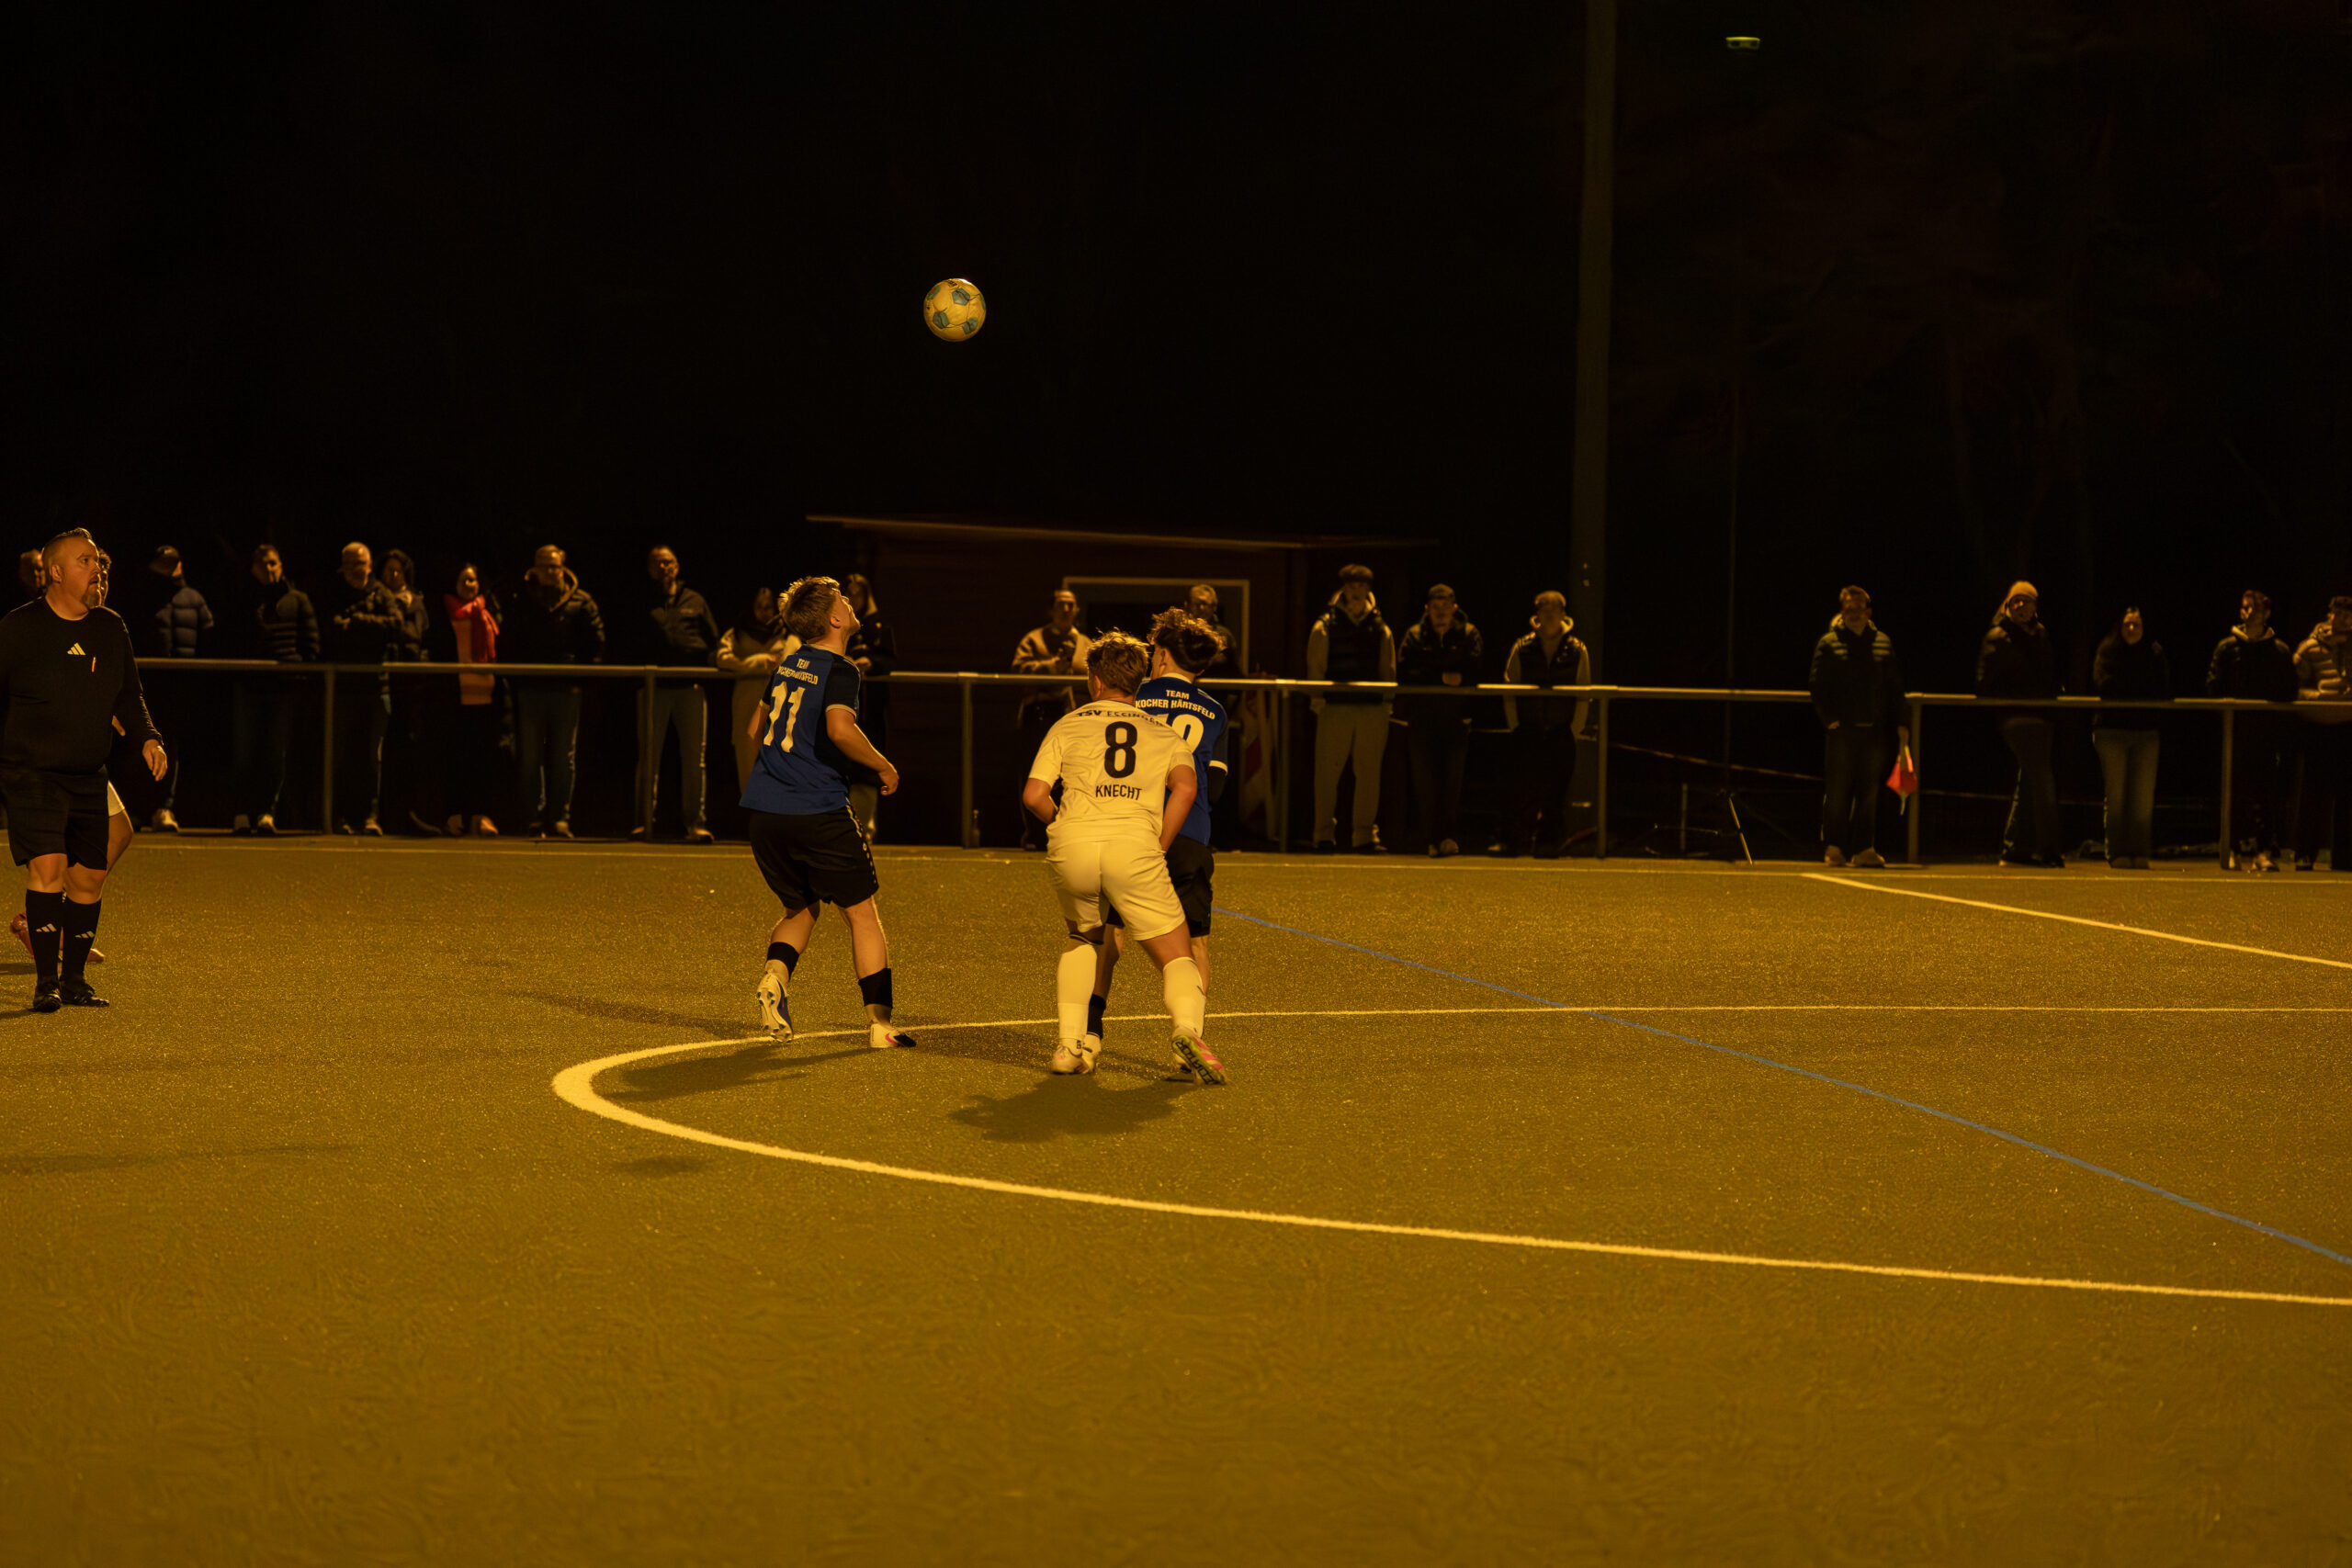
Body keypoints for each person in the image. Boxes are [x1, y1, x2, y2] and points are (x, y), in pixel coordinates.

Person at [1021, 630, 1221, 1084]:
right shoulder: (1162, 731)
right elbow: (1186, 788)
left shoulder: (1068, 723)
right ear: (1138, 681)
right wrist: (1160, 844)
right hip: (1134, 845)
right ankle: (1187, 1030)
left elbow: (1034, 795)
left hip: (1073, 843)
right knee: (1177, 954)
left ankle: (1069, 1046)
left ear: (1095, 681)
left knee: (1084, 938)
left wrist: (1061, 823)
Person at [742, 576, 915, 1052]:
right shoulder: (840, 669)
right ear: (835, 619)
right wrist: (883, 764)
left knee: (800, 908)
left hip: (764, 811)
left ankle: (775, 978)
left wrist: (780, 771)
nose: (851, 603)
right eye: (843, 599)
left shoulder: (787, 665)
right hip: (816, 808)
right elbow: (840, 728)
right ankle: (880, 1025)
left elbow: (755, 728)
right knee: (861, 913)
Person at [0, 529, 165, 1010]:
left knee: (90, 876)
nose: (98, 569)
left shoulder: (110, 627)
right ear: (55, 572)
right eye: (85, 561)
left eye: (100, 563)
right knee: (49, 867)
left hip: (88, 773)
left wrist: (148, 736)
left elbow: (129, 693)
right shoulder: (19, 628)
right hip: (31, 772)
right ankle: (46, 983)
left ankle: (74, 982)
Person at [1087, 609, 1228, 1064]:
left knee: (1109, 933)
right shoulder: (1215, 711)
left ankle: (1090, 1031)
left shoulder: (1134, 694)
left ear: (1162, 655)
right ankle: (1191, 1037)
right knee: (1194, 942)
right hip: (1190, 832)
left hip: (1131, 829)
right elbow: (1217, 784)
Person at [504, 545, 604, 839]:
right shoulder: (521, 599)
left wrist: (581, 678)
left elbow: (596, 643)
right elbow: (509, 639)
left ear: (563, 567)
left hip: (566, 689)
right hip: (531, 688)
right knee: (530, 757)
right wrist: (517, 678)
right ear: (534, 568)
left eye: (554, 565)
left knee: (564, 758)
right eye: (544, 565)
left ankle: (560, 817)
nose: (550, 571)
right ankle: (533, 817)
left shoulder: (581, 601)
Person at [1809, 586, 1910, 869]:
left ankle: (1864, 848)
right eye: (1849, 609)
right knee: (1837, 791)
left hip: (1874, 730)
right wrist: (1829, 719)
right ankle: (1834, 847)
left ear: (1869, 612)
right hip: (1842, 731)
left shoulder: (1882, 642)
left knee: (1869, 792)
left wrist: (1902, 721)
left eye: (1859, 608)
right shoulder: (1829, 643)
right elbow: (1817, 684)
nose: (1854, 614)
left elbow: (1895, 686)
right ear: (1842, 612)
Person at [226, 545, 319, 835]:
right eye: (264, 564)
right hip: (250, 686)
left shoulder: (297, 600)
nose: (270, 569)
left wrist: (293, 666)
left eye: (274, 563)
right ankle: (242, 812)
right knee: (245, 752)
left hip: (283, 688)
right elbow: (231, 638)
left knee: (275, 754)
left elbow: (311, 643)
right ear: (254, 568)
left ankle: (267, 812)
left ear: (281, 565)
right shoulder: (244, 599)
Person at [2206, 589, 2301, 872]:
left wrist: (2274, 715)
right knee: (2233, 793)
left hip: (2267, 734)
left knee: (2266, 795)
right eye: (2245, 608)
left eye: (2254, 609)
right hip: (2234, 732)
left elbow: (2289, 689)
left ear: (2266, 614)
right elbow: (2213, 685)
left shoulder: (2279, 651)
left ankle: (2262, 851)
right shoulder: (2227, 647)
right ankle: (2233, 849)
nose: (2248, 613)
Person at [632, 545, 721, 843]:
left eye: (668, 562)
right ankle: (644, 822)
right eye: (657, 563)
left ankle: (695, 823)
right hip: (654, 688)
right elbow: (632, 640)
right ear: (649, 568)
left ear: (677, 566)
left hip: (690, 688)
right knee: (649, 757)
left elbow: (711, 641)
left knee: (695, 759)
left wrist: (693, 655)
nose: (664, 567)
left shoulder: (695, 600)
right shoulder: (643, 600)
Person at [1306, 564, 1395, 853]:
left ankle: (1364, 836)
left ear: (1369, 589)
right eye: (1352, 585)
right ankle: (1322, 834)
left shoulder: (1380, 627)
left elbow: (1387, 668)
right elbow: (1316, 667)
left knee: (1369, 774)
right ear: (1343, 588)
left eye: (1361, 586)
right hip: (1335, 708)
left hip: (1370, 710)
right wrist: (1318, 700)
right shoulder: (1325, 625)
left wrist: (1386, 703)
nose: (1356, 591)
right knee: (1327, 774)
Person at [1976, 581, 2064, 867]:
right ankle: (2049, 849)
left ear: (2035, 607)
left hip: (2042, 716)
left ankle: (2015, 848)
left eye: (2027, 601)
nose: (2022, 606)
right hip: (2016, 717)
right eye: (2017, 601)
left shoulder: (2040, 635)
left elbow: (2048, 674)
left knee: (2029, 782)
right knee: (2042, 781)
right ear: (2008, 605)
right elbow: (1984, 682)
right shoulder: (1998, 636)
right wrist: (2016, 695)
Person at [318, 541, 401, 835]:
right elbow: (332, 632)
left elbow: (395, 626)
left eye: (361, 563)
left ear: (370, 566)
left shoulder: (382, 593)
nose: (356, 570)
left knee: (371, 757)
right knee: (340, 755)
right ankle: (338, 815)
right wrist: (368, 631)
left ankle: (370, 816)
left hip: (376, 688)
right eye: (350, 564)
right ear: (342, 567)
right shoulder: (333, 596)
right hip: (342, 688)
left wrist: (356, 622)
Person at [1396, 583, 1483, 857]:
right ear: (1427, 609)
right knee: (1425, 782)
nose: (1441, 612)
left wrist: (1459, 677)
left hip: (1456, 719)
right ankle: (1431, 838)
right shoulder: (1414, 635)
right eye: (1435, 607)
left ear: (1454, 608)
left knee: (1452, 782)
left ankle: (1447, 835)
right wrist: (1441, 676)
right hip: (1422, 718)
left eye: (1445, 607)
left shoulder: (1468, 633)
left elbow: (1476, 668)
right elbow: (1404, 671)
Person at [1501, 591, 1589, 858]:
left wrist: (1574, 729)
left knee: (1557, 791)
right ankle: (1516, 840)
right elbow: (1509, 688)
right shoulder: (1522, 647)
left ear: (1563, 613)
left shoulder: (1578, 649)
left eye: (1554, 609)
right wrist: (1515, 725)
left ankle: (1548, 842)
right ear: (1537, 614)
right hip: (1528, 727)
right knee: (1523, 788)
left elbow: (1583, 692)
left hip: (1561, 729)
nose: (1549, 614)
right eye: (1544, 609)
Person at [135, 545, 210, 832]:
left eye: (172, 562)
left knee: (172, 747)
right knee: (141, 742)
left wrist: (197, 678)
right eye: (162, 562)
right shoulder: (145, 597)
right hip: (148, 684)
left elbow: (208, 638)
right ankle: (138, 807)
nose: (167, 567)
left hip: (180, 685)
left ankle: (164, 806)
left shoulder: (194, 599)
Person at [1012, 588, 1092, 851]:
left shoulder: (1086, 643)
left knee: (1072, 775)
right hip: (1039, 714)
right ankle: (1035, 836)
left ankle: (1068, 832)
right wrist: (1050, 667)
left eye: (1070, 605)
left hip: (1075, 718)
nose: (1066, 610)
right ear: (1051, 610)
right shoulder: (1033, 640)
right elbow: (1017, 670)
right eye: (1060, 605)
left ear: (1077, 610)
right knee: (1037, 773)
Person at [2091, 608, 2169, 869]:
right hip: (2112, 731)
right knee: (2116, 795)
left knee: (2142, 798)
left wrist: (2131, 687)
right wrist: (2137, 687)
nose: (2132, 630)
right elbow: (2104, 686)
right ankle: (2117, 851)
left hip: (2146, 732)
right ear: (2119, 627)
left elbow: (2162, 688)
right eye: (2127, 625)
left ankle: (2139, 850)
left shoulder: (2154, 652)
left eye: (2137, 624)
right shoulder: (2108, 650)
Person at [435, 563, 502, 836]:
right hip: (454, 697)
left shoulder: (490, 611)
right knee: (456, 760)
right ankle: (455, 815)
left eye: (472, 580)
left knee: (482, 761)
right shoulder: (444, 613)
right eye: (463, 580)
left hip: (485, 696)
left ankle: (480, 816)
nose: (468, 584)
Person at [2291, 595, 2352, 872]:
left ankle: (2344, 855)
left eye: (2349, 615)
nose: (2345, 620)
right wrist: (2317, 696)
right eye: (2340, 614)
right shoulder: (2310, 647)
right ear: (2330, 615)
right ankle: (2305, 853)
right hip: (2317, 727)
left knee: (2347, 795)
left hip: (2348, 726)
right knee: (2312, 794)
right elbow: (2292, 688)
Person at [718, 586, 797, 797]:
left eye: (768, 607)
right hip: (746, 706)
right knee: (747, 764)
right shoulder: (738, 633)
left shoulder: (787, 635)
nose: (763, 611)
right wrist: (758, 663)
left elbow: (789, 663)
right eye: (759, 607)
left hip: (778, 708)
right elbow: (723, 658)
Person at [376, 548, 434, 834]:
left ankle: (407, 813)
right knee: (382, 750)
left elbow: (422, 635)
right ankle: (379, 813)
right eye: (389, 568)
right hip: (386, 682)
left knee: (409, 750)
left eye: (398, 569)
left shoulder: (417, 602)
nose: (394, 574)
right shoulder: (377, 599)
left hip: (412, 685)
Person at [842, 573, 897, 838]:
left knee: (868, 761)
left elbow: (891, 660)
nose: (854, 599)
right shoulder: (839, 623)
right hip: (843, 703)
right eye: (849, 593)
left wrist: (870, 663)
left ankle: (865, 824)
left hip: (871, 705)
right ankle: (844, 824)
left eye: (859, 593)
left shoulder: (879, 625)